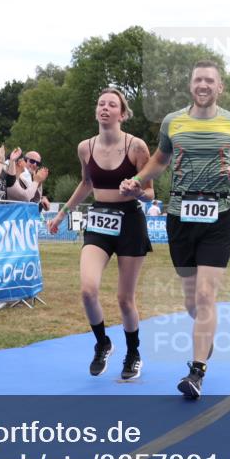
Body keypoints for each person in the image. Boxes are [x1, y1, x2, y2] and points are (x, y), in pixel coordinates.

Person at [120, 60, 230, 400]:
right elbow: (159, 160)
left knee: (207, 295)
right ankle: (204, 336)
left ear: (220, 87)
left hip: (219, 214)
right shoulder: (173, 122)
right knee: (192, 301)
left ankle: (196, 371)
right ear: (190, 85)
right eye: (198, 80)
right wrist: (137, 180)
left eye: (210, 80)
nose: (203, 85)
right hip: (180, 215)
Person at [47, 87, 154, 380]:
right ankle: (102, 343)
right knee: (87, 290)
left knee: (125, 299)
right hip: (99, 221)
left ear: (122, 114)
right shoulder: (85, 148)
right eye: (101, 103)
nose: (105, 108)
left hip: (130, 222)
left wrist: (137, 191)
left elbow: (151, 194)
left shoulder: (136, 147)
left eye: (112, 105)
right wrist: (62, 213)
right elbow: (86, 184)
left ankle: (133, 353)